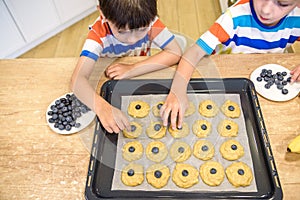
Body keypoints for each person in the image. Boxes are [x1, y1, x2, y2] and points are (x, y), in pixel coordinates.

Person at [160, 0, 300, 130]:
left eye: (282, 3)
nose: (266, 10)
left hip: (266, 92)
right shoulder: (234, 18)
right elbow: (193, 53)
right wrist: (177, 91)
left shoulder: (297, 19)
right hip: (228, 81)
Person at [71, 0, 182, 133]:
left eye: (142, 30)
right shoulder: (98, 35)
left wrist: (132, 68)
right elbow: (77, 80)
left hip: (140, 75)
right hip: (108, 80)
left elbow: (175, 52)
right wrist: (102, 108)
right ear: (102, 13)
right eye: (122, 32)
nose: (132, 40)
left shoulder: (149, 20)